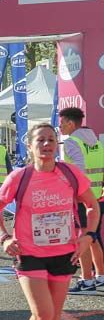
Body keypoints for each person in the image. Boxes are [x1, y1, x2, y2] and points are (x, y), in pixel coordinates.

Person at [0, 123, 99, 320]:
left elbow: (92, 205)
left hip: (64, 253)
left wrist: (88, 236)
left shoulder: (70, 174)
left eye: (51, 139)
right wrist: (5, 238)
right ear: (30, 146)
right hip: (29, 253)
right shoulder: (20, 177)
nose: (47, 144)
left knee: (54, 314)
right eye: (41, 140)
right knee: (43, 314)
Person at [57, 107, 104, 293]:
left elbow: (79, 168)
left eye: (61, 123)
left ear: (70, 123)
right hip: (96, 197)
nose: (60, 127)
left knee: (83, 238)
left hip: (80, 199)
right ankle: (100, 276)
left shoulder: (71, 142)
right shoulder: (97, 143)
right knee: (93, 238)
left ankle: (87, 280)